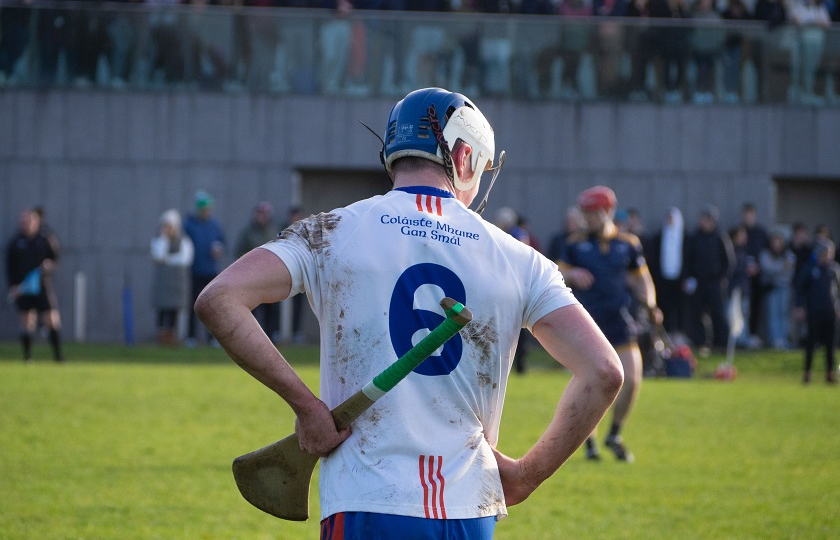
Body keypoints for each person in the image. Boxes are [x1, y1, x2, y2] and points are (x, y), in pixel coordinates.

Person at [195, 87, 623, 539]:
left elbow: (219, 299)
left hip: (364, 502)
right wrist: (526, 476)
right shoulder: (520, 259)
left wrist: (307, 408)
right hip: (467, 509)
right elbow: (604, 372)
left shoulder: (331, 231)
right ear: (464, 157)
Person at [557, 186, 660, 463]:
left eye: (590, 213)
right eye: (583, 212)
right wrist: (573, 272)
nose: (584, 218)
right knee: (588, 384)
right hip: (587, 322)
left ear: (606, 212)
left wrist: (651, 304)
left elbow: (642, 278)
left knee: (632, 378)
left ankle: (614, 433)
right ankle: (588, 441)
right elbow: (556, 272)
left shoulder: (628, 243)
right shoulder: (574, 243)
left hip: (620, 318)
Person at [5, 208, 65, 362]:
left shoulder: (45, 238)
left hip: (42, 286)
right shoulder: (16, 242)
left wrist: (48, 266)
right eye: (23, 222)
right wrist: (13, 286)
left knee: (51, 319)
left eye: (28, 221)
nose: (25, 224)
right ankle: (27, 357)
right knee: (26, 321)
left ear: (36, 222)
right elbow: (9, 267)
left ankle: (58, 357)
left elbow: (55, 259)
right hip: (22, 288)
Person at [683, 205, 735, 352]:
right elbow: (687, 259)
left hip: (715, 283)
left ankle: (721, 344)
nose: (704, 222)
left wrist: (724, 277)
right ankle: (700, 343)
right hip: (698, 283)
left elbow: (729, 261)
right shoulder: (694, 238)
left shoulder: (720, 237)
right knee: (697, 314)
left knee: (718, 313)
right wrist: (687, 278)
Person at [793, 239, 840, 384]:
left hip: (830, 312)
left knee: (830, 344)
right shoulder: (809, 269)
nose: (828, 255)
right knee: (811, 343)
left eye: (830, 253)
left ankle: (830, 374)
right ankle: (807, 373)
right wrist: (800, 306)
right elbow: (799, 290)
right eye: (826, 252)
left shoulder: (834, 270)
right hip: (813, 311)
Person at [184, 189, 226, 347]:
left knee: (212, 306)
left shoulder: (215, 225)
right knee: (193, 305)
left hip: (211, 271)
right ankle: (191, 337)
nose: (206, 212)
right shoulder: (189, 224)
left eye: (208, 209)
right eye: (204, 209)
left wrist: (219, 249)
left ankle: (211, 338)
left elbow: (222, 242)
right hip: (195, 270)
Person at [235, 201, 281, 342]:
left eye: (265, 214)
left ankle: (272, 337)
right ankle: (252, 339)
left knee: (272, 311)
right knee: (253, 310)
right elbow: (238, 252)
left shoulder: (274, 231)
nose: (262, 217)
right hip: (252, 279)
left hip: (271, 280)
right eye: (260, 213)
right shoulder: (247, 232)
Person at [150, 209, 194, 346]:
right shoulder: (158, 240)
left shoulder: (184, 240)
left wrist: (167, 260)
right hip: (163, 283)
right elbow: (158, 255)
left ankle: (173, 337)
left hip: (177, 284)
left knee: (174, 310)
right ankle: (162, 337)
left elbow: (184, 259)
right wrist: (164, 239)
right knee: (162, 310)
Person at [647, 207, 687, 337]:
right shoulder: (659, 237)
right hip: (663, 278)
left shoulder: (684, 237)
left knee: (680, 307)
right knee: (664, 305)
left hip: (679, 279)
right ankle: (664, 332)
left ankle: (679, 332)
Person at [758, 229, 796, 350]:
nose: (776, 243)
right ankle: (775, 341)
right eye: (774, 240)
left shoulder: (788, 254)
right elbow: (767, 268)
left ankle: (783, 340)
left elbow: (789, 271)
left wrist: (777, 269)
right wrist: (781, 266)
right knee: (773, 314)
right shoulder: (765, 253)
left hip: (785, 288)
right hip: (771, 288)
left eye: (779, 240)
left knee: (783, 313)